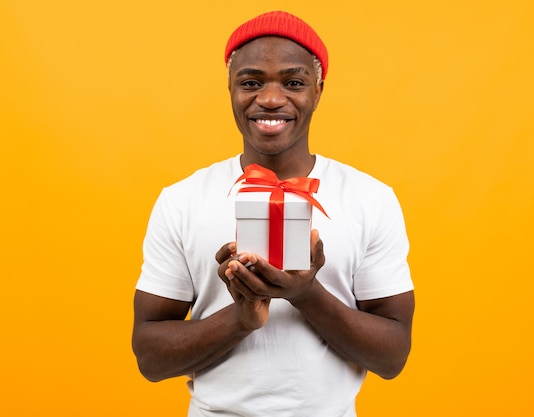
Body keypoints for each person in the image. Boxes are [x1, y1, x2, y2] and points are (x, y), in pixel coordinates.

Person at [132, 10, 415, 417]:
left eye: (293, 82)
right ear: (230, 89)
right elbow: (150, 359)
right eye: (250, 82)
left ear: (317, 91)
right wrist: (241, 318)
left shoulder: (371, 198)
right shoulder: (181, 200)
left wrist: (306, 294)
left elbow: (392, 358)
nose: (269, 98)